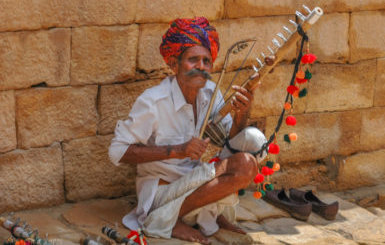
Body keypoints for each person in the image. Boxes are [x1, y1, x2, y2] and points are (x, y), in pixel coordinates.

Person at [109, 17, 267, 244]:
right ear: (174, 64)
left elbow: (230, 142)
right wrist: (176, 150)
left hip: (196, 181)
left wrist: (243, 113)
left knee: (251, 150)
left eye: (206, 61)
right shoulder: (153, 101)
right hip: (161, 192)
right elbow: (117, 152)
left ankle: (207, 212)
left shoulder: (211, 93)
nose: (201, 67)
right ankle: (169, 219)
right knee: (242, 164)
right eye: (193, 60)